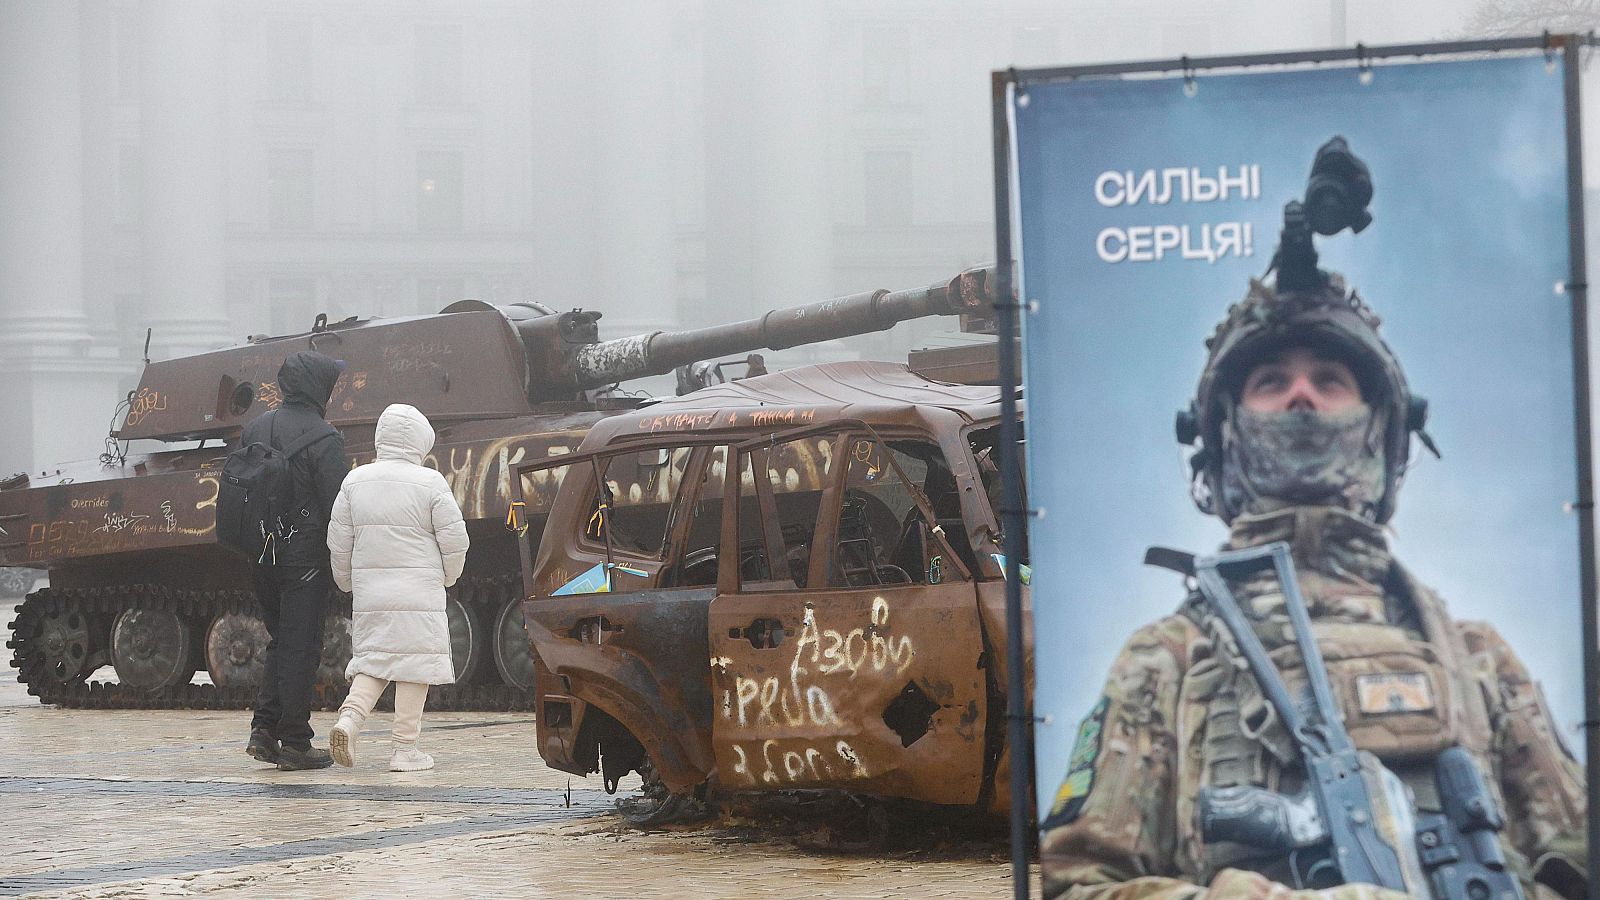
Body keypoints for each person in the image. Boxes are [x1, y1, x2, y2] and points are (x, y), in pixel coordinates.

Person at [1039, 276, 1589, 899]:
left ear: (1377, 426)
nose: (1302, 396)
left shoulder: (1481, 662)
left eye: (1330, 380)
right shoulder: (1165, 660)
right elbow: (1075, 886)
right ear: (1228, 430)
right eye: (1271, 381)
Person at [325, 403, 468, 772]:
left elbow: (339, 542)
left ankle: (350, 720)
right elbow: (455, 540)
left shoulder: (354, 482)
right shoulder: (431, 482)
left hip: (372, 592)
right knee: (414, 666)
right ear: (421, 442)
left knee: (374, 661)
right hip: (419, 590)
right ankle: (404, 749)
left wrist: (345, 582)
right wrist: (449, 576)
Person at [242, 350, 349, 771]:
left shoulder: (255, 427)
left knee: (280, 642)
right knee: (301, 648)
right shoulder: (325, 438)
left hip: (260, 554)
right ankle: (295, 743)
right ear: (318, 388)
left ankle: (263, 730)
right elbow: (339, 505)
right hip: (303, 559)